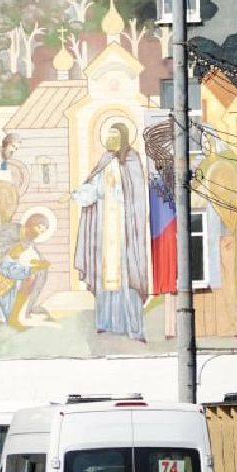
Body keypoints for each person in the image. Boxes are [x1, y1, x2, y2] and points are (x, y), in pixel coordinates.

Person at [72, 121, 151, 340]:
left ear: (123, 138)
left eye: (115, 135)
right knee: (104, 271)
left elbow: (135, 195)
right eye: (109, 134)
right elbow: (95, 189)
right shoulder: (105, 160)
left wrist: (115, 187)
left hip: (124, 228)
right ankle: (105, 322)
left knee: (126, 273)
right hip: (104, 227)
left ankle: (130, 324)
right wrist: (77, 194)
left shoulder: (132, 160)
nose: (111, 139)